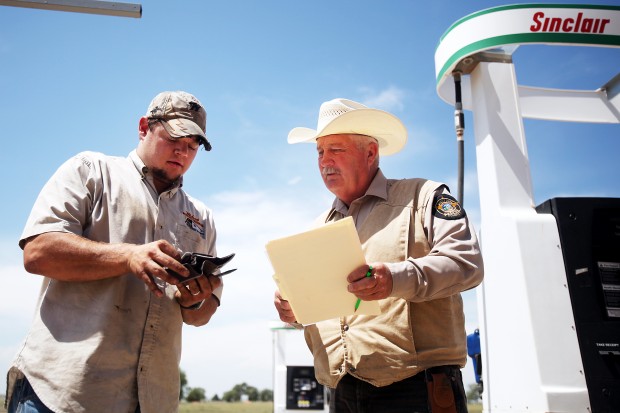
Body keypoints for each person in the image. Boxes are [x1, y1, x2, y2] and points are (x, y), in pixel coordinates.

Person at [5, 91, 224, 413]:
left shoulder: (201, 217)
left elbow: (202, 314)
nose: (182, 150)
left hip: (151, 400)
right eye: (175, 136)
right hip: (63, 393)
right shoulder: (90, 171)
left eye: (193, 145)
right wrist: (128, 256)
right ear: (143, 127)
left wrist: (196, 299)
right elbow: (38, 252)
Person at [274, 98, 484, 413]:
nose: (325, 161)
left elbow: (466, 263)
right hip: (342, 393)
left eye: (336, 150)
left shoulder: (422, 197)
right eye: (319, 152)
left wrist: (394, 278)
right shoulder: (317, 229)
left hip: (418, 389)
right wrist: (294, 310)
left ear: (371, 152)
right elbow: (324, 309)